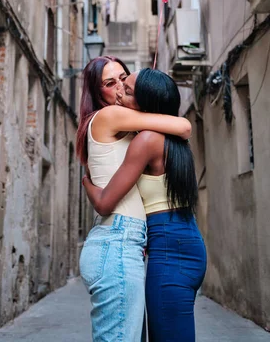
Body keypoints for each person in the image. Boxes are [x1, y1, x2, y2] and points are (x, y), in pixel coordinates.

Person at [83, 68, 207, 342]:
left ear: (146, 105)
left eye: (127, 91)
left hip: (169, 251)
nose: (119, 94)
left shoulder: (146, 140)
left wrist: (86, 182)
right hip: (184, 244)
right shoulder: (174, 143)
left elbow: (104, 203)